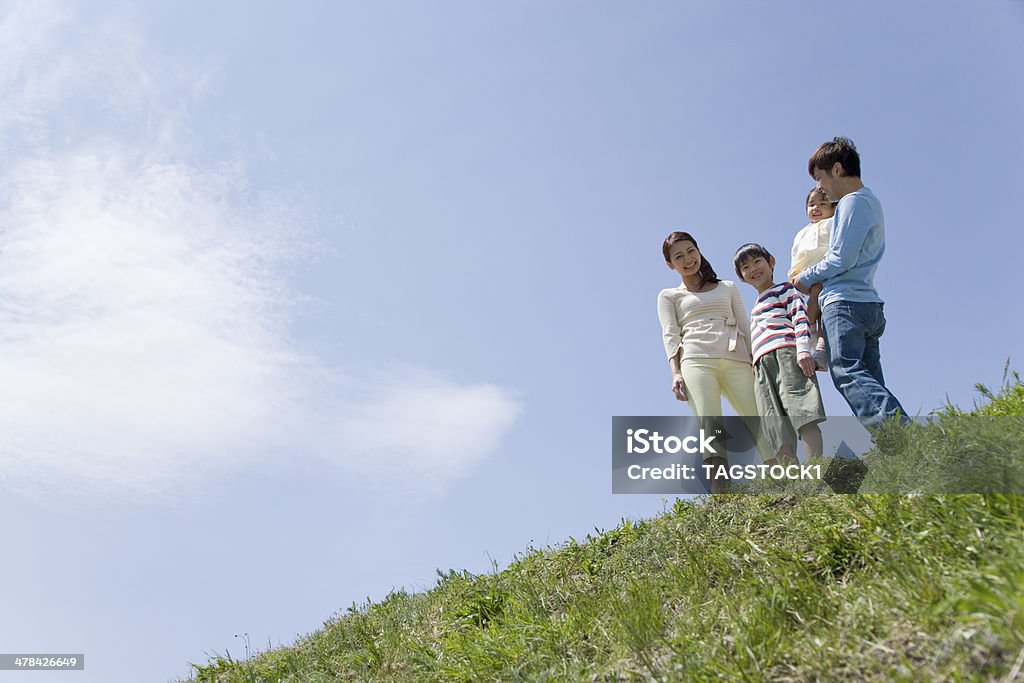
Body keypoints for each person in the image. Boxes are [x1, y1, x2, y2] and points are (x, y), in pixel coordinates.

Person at [793, 137, 908, 428]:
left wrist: (804, 279)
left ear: (838, 169)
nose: (819, 187)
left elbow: (840, 259)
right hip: (867, 303)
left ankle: (903, 434)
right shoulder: (870, 201)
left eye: (820, 178)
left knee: (845, 369)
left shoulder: (852, 203)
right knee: (870, 379)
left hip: (844, 303)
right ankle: (897, 449)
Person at [657, 231, 766, 490]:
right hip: (696, 361)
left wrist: (757, 357)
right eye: (679, 256)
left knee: (758, 416)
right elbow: (670, 334)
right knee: (710, 424)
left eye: (691, 251)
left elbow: (744, 325)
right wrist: (675, 372)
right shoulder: (668, 296)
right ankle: (723, 492)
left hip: (737, 358)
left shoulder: (727, 287)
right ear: (670, 264)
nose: (688, 259)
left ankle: (782, 473)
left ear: (699, 250)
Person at [734, 242, 825, 465]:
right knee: (774, 422)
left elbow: (800, 318)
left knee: (803, 411)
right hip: (762, 364)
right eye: (745, 267)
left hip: (787, 352)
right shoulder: (755, 306)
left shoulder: (785, 289)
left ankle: (815, 468)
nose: (753, 268)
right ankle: (791, 478)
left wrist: (804, 350)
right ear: (742, 277)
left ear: (771, 262)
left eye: (757, 261)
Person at [788, 188, 835, 371]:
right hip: (807, 275)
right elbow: (796, 255)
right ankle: (813, 335)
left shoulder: (833, 223)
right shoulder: (802, 233)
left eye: (823, 204)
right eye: (811, 204)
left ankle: (818, 342)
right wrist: (795, 275)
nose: (816, 208)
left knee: (825, 311)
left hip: (829, 271)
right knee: (815, 294)